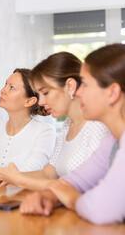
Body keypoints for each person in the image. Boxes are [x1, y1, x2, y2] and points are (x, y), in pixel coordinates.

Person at [20, 43, 125, 225]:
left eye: (85, 84)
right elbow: (71, 182)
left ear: (112, 92)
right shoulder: (111, 143)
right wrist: (49, 196)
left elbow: (100, 210)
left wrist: (70, 198)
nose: (77, 91)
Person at [0, 52, 109, 190]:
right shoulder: (67, 125)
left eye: (46, 93)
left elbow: (88, 185)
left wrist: (17, 178)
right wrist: (10, 177)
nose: (41, 102)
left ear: (70, 86)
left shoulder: (97, 125)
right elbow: (48, 174)